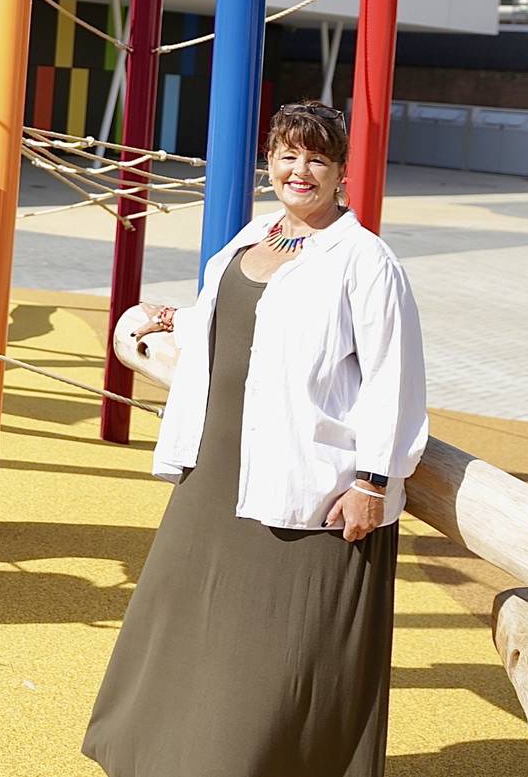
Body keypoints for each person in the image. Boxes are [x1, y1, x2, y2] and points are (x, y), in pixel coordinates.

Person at [82, 102, 427, 777]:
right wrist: (175, 317)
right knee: (183, 624)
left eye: (317, 159)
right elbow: (242, 322)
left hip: (308, 481)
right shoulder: (256, 233)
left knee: (275, 655)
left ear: (339, 173)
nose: (300, 170)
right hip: (215, 464)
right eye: (288, 155)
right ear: (270, 159)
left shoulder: (365, 260)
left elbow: (396, 377)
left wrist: (373, 481)